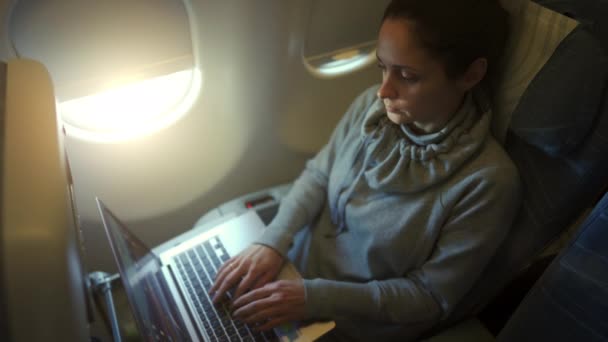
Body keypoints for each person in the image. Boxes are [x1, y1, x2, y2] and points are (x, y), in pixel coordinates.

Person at [210, 0, 521, 340]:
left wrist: (313, 298)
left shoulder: (488, 182)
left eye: (408, 75)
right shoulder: (369, 108)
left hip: (352, 320)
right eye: (382, 67)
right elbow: (319, 175)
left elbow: (429, 297)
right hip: (294, 271)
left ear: (471, 75)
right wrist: (272, 243)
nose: (384, 90)